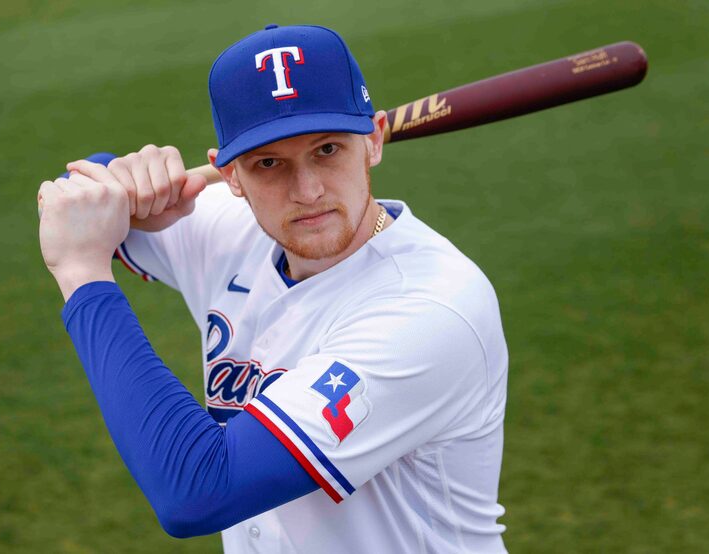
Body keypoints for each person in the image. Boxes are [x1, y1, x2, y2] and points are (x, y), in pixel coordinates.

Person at [38, 24, 509, 553]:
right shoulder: (228, 228)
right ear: (229, 175)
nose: (307, 192)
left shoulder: (430, 309)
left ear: (373, 140)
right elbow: (77, 202)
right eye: (270, 163)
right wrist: (129, 179)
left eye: (327, 149)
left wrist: (82, 275)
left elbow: (196, 490)